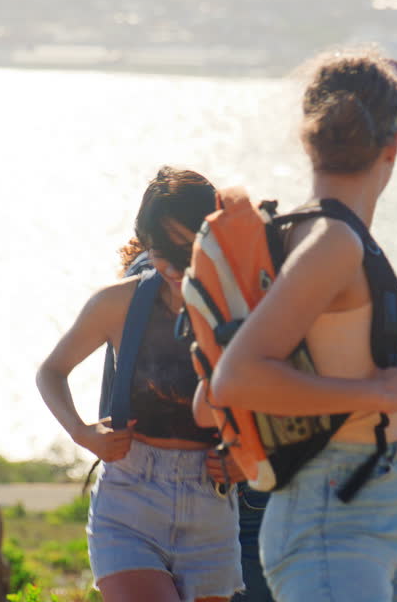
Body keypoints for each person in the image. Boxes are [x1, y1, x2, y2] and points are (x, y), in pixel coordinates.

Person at [204, 50, 397, 602]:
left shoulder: (314, 234)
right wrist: (376, 393)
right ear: (393, 145)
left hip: (375, 514)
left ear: (308, 137)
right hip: (335, 521)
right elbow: (235, 379)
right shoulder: (332, 242)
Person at [36, 167, 242, 602]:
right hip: (129, 500)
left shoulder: (243, 309)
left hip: (211, 506)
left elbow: (279, 396)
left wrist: (250, 458)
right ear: (146, 244)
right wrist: (81, 432)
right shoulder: (117, 304)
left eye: (187, 250)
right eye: (161, 251)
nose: (173, 266)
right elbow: (51, 371)